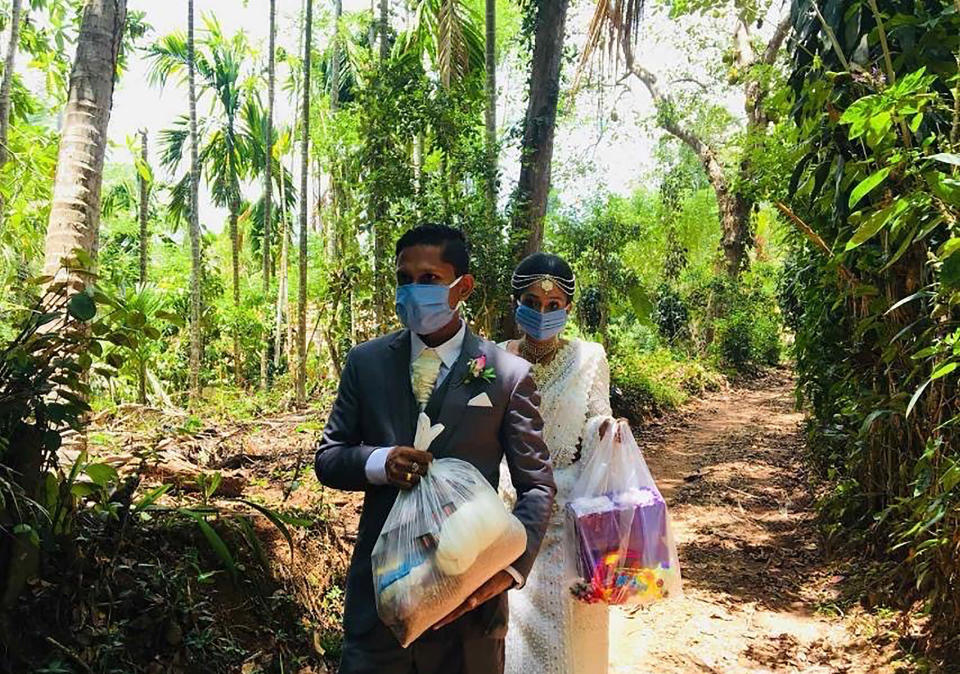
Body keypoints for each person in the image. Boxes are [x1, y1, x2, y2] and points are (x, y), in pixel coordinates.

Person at [314, 225, 557, 674]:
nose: (412, 290)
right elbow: (329, 458)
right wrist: (379, 463)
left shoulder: (506, 374)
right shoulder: (365, 363)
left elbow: (537, 486)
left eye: (428, 279)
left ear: (462, 287)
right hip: (383, 602)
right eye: (403, 279)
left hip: (471, 607)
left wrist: (509, 570)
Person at [498, 252, 624, 674]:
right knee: (515, 639)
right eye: (531, 303)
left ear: (568, 309)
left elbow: (595, 418)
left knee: (573, 640)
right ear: (516, 304)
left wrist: (605, 430)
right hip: (510, 519)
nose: (542, 313)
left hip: (571, 522)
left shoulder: (589, 358)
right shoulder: (496, 358)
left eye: (553, 306)